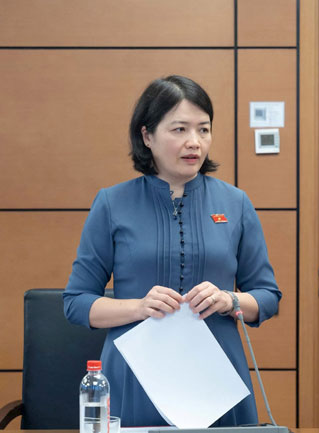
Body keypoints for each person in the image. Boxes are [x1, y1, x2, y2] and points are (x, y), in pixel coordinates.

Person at [63, 75, 282, 427]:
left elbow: (267, 297)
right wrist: (138, 307)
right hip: (135, 376)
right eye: (179, 129)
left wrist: (229, 300)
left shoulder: (235, 203)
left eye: (204, 129)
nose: (194, 142)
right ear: (147, 135)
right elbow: (77, 303)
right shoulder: (112, 203)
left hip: (217, 378)